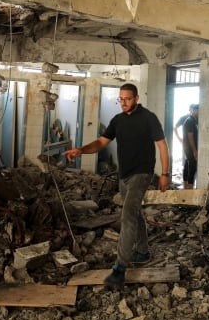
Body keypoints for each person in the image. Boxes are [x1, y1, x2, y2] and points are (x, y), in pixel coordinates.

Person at [63, 83, 170, 287]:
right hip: (124, 175)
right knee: (134, 212)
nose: (123, 103)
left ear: (136, 98)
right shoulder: (118, 120)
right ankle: (142, 251)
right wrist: (80, 150)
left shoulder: (148, 118)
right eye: (120, 99)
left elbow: (162, 146)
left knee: (128, 214)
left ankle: (120, 267)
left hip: (142, 173)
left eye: (127, 99)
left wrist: (164, 173)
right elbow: (102, 142)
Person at [182, 104, 199, 189]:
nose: (199, 113)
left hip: (188, 147)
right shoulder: (190, 121)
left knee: (187, 165)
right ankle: (189, 187)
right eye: (198, 110)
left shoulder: (193, 120)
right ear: (194, 110)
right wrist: (194, 150)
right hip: (189, 147)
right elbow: (190, 136)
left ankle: (186, 185)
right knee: (192, 166)